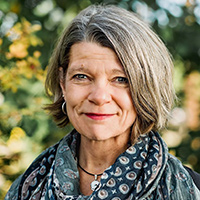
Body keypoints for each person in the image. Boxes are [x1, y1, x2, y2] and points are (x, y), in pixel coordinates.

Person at [5, 4, 200, 200]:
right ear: (62, 82)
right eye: (82, 77)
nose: (99, 97)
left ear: (146, 88)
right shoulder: (27, 188)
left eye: (121, 79)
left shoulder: (189, 189)